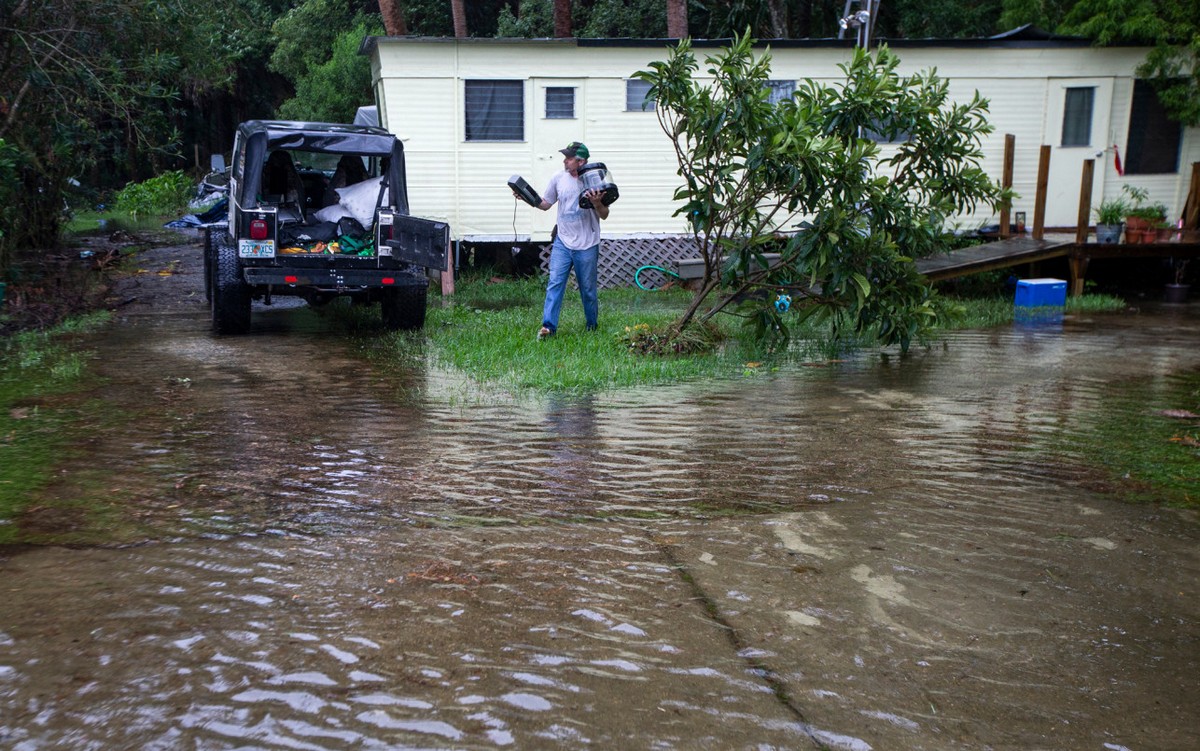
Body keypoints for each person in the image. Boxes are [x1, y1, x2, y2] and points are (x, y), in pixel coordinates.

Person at [519, 141, 610, 339]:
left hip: (587, 243)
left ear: (581, 161)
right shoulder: (558, 178)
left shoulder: (595, 180)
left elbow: (604, 214)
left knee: (587, 289)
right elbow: (545, 204)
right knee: (555, 283)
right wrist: (526, 197)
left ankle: (592, 326)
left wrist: (597, 203)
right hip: (563, 241)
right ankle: (548, 328)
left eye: (569, 158)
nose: (565, 161)